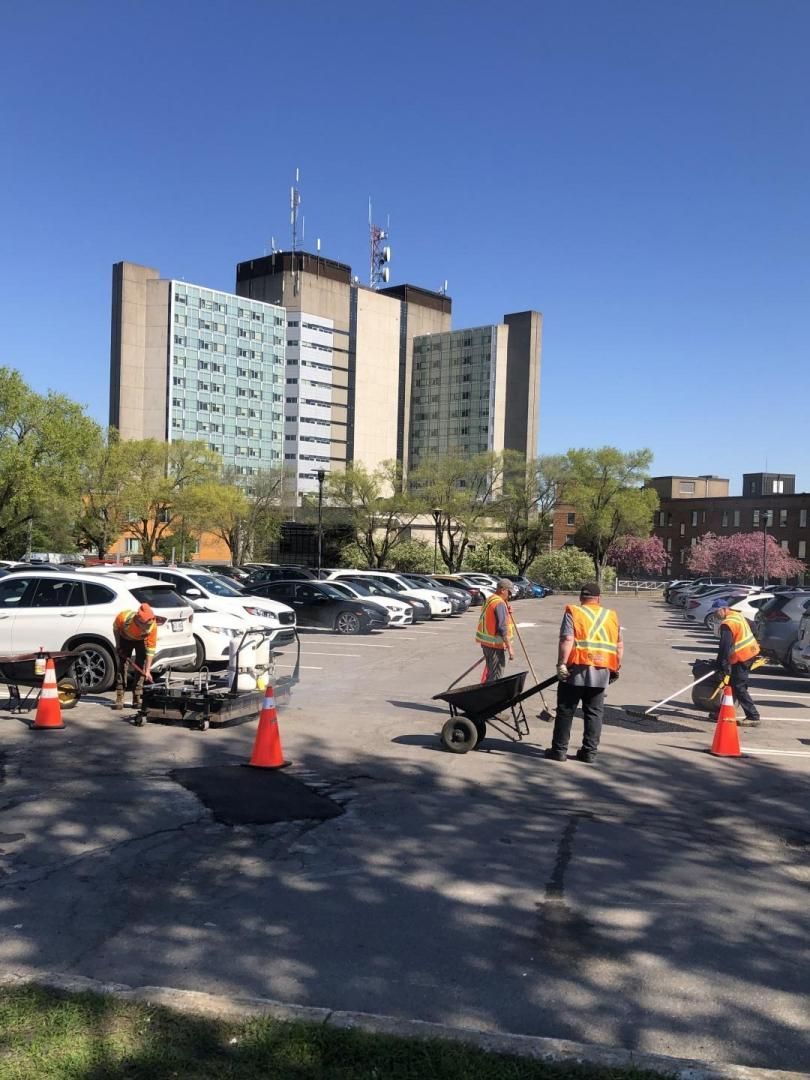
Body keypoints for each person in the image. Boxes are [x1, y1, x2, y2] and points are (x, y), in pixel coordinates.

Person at [545, 582, 623, 763]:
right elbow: (619, 645)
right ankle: (589, 753)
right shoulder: (610, 615)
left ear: (581, 598)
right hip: (602, 669)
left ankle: (559, 750)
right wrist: (616, 668)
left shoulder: (574, 611)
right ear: (599, 599)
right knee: (594, 712)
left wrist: (561, 664)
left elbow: (567, 638)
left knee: (566, 710)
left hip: (576, 669)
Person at [711, 599, 761, 726]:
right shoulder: (737, 616)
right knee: (732, 684)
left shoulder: (728, 624)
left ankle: (753, 716)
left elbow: (724, 647)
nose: (715, 615)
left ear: (724, 609)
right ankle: (723, 711)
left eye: (716, 611)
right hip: (750, 653)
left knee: (739, 686)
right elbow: (753, 626)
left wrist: (720, 665)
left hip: (743, 657)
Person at [112, 603, 157, 710]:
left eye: (149, 625)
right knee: (122, 667)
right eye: (145, 626)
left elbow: (151, 649)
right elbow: (116, 629)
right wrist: (118, 645)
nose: (147, 628)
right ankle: (120, 696)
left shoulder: (152, 626)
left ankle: (136, 697)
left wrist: (148, 670)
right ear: (138, 620)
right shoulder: (123, 617)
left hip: (141, 641)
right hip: (125, 639)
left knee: (141, 666)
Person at [474, 578, 515, 682]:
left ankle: (486, 695)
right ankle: (490, 696)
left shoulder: (490, 599)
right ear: (502, 590)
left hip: (487, 644)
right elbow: (502, 628)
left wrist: (506, 611)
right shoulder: (499, 603)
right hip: (495, 646)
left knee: (491, 674)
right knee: (496, 676)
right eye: (509, 592)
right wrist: (510, 647)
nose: (510, 596)